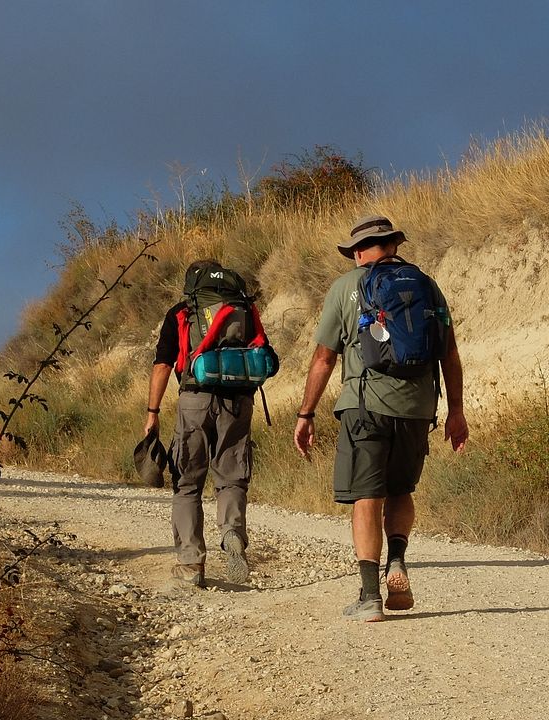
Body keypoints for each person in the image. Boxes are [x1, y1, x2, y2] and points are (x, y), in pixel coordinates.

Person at [294, 215, 468, 622]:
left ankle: (370, 596)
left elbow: (324, 357)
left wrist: (306, 413)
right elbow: (450, 354)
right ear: (392, 244)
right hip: (417, 408)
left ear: (358, 251)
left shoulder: (344, 287)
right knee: (400, 488)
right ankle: (398, 560)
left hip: (364, 403)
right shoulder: (426, 285)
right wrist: (455, 411)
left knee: (366, 495)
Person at [145, 260, 278, 588]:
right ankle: (232, 531)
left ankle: (191, 565)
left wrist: (152, 412)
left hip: (195, 400)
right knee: (232, 477)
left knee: (188, 483)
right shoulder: (244, 310)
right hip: (239, 401)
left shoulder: (183, 311)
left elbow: (163, 365)